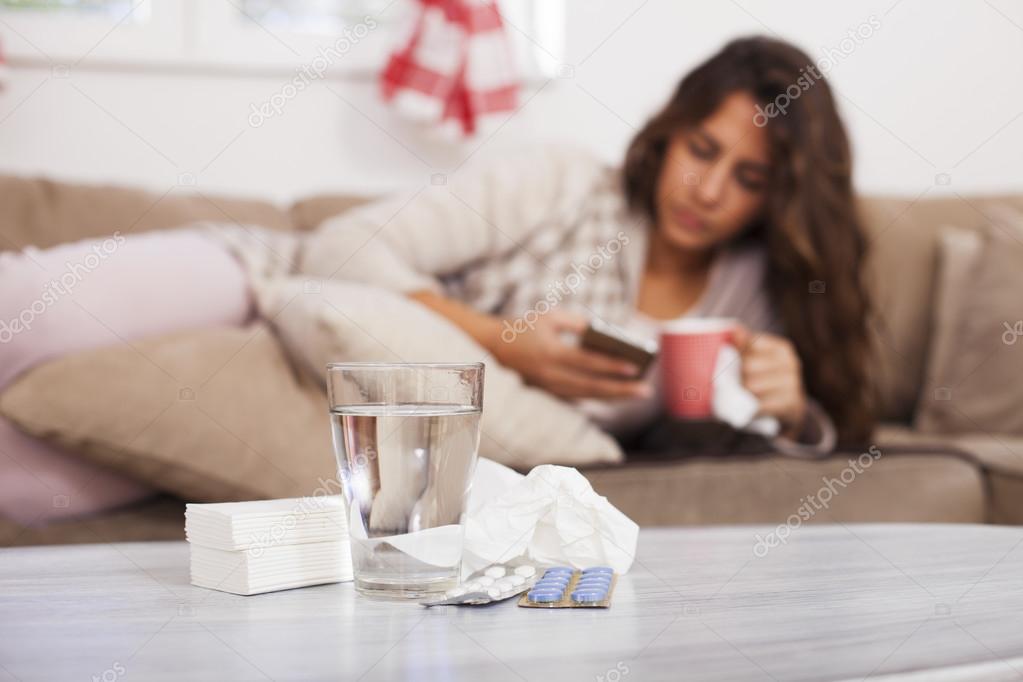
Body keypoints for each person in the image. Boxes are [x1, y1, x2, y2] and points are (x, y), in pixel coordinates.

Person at [301, 36, 874, 452]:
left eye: (750, 180)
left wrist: (795, 416)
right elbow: (340, 247)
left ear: (777, 199)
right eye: (701, 150)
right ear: (670, 130)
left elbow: (818, 435)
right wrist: (504, 342)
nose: (709, 192)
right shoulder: (563, 181)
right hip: (279, 291)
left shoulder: (750, 290)